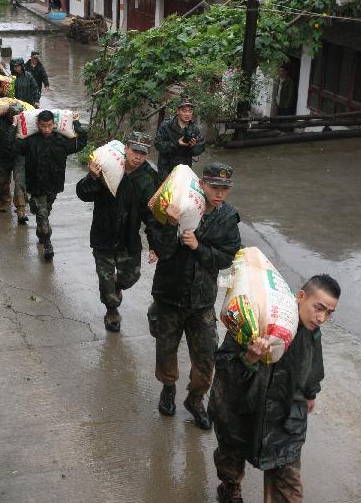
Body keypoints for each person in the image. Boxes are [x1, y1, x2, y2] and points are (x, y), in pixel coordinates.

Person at [208, 274, 341, 503]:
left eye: (329, 313)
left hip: (284, 416)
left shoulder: (311, 332)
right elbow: (225, 366)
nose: (322, 318)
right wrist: (250, 358)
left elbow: (313, 365)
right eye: (319, 308)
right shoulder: (258, 319)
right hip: (242, 408)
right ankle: (230, 487)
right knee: (231, 453)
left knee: (289, 483)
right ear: (300, 297)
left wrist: (309, 393)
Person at [149, 162, 241, 430]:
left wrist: (200, 248)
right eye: (215, 187)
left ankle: (195, 398)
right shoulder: (176, 204)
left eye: (225, 189)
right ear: (201, 184)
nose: (220, 194)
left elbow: (228, 256)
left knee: (207, 356)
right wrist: (171, 224)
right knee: (166, 348)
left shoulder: (227, 218)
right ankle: (168, 388)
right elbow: (161, 250)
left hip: (202, 300)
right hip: (169, 293)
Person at [76, 132, 157, 333]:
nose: (138, 157)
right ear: (126, 149)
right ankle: (112, 310)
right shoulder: (108, 167)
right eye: (135, 151)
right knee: (106, 284)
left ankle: (115, 287)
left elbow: (151, 213)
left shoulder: (147, 177)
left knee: (131, 276)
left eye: (143, 154)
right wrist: (92, 177)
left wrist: (155, 243)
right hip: (103, 236)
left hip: (128, 239)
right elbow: (83, 194)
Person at [17, 109, 87, 256]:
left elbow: (81, 142)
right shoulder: (30, 141)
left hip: (54, 184)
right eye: (43, 126)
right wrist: (13, 127)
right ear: (37, 124)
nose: (46, 129)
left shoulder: (61, 141)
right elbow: (13, 147)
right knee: (42, 213)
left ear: (54, 124)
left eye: (49, 125)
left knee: (45, 211)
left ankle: (42, 233)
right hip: (36, 185)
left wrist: (76, 123)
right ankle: (48, 243)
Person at [154, 96, 205, 184]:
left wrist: (193, 146)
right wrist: (176, 144)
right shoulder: (166, 126)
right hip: (166, 168)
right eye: (184, 110)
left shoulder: (194, 128)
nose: (187, 114)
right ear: (178, 111)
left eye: (190, 111)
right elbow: (158, 145)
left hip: (184, 168)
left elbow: (199, 150)